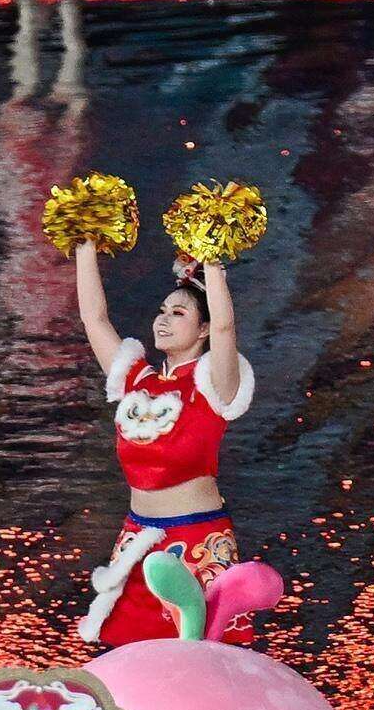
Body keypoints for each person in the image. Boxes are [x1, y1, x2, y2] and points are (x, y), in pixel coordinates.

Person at [66, 227, 249, 646]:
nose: (163, 320)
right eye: (162, 311)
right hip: (136, 539)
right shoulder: (136, 379)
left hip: (196, 541)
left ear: (202, 330)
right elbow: (94, 319)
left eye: (179, 313)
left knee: (202, 659)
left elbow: (226, 328)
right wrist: (85, 243)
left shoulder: (213, 386)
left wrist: (212, 257)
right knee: (129, 654)